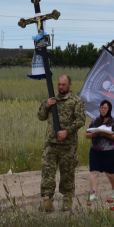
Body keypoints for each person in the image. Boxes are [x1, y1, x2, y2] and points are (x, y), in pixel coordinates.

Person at [37, 75, 86, 213]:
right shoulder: (52, 100)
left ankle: (67, 201)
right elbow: (41, 116)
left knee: (67, 173)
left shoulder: (76, 101)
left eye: (63, 84)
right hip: (51, 144)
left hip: (68, 145)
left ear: (70, 85)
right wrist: (46, 106)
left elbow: (81, 120)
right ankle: (47, 201)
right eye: (59, 84)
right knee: (47, 172)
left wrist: (67, 131)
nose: (60, 87)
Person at [86, 100, 114, 202]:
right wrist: (95, 133)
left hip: (109, 150)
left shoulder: (113, 121)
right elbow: (87, 135)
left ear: (109, 109)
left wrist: (107, 135)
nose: (103, 110)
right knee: (94, 172)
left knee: (109, 173)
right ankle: (94, 194)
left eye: (105, 108)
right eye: (102, 108)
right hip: (95, 150)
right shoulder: (94, 121)